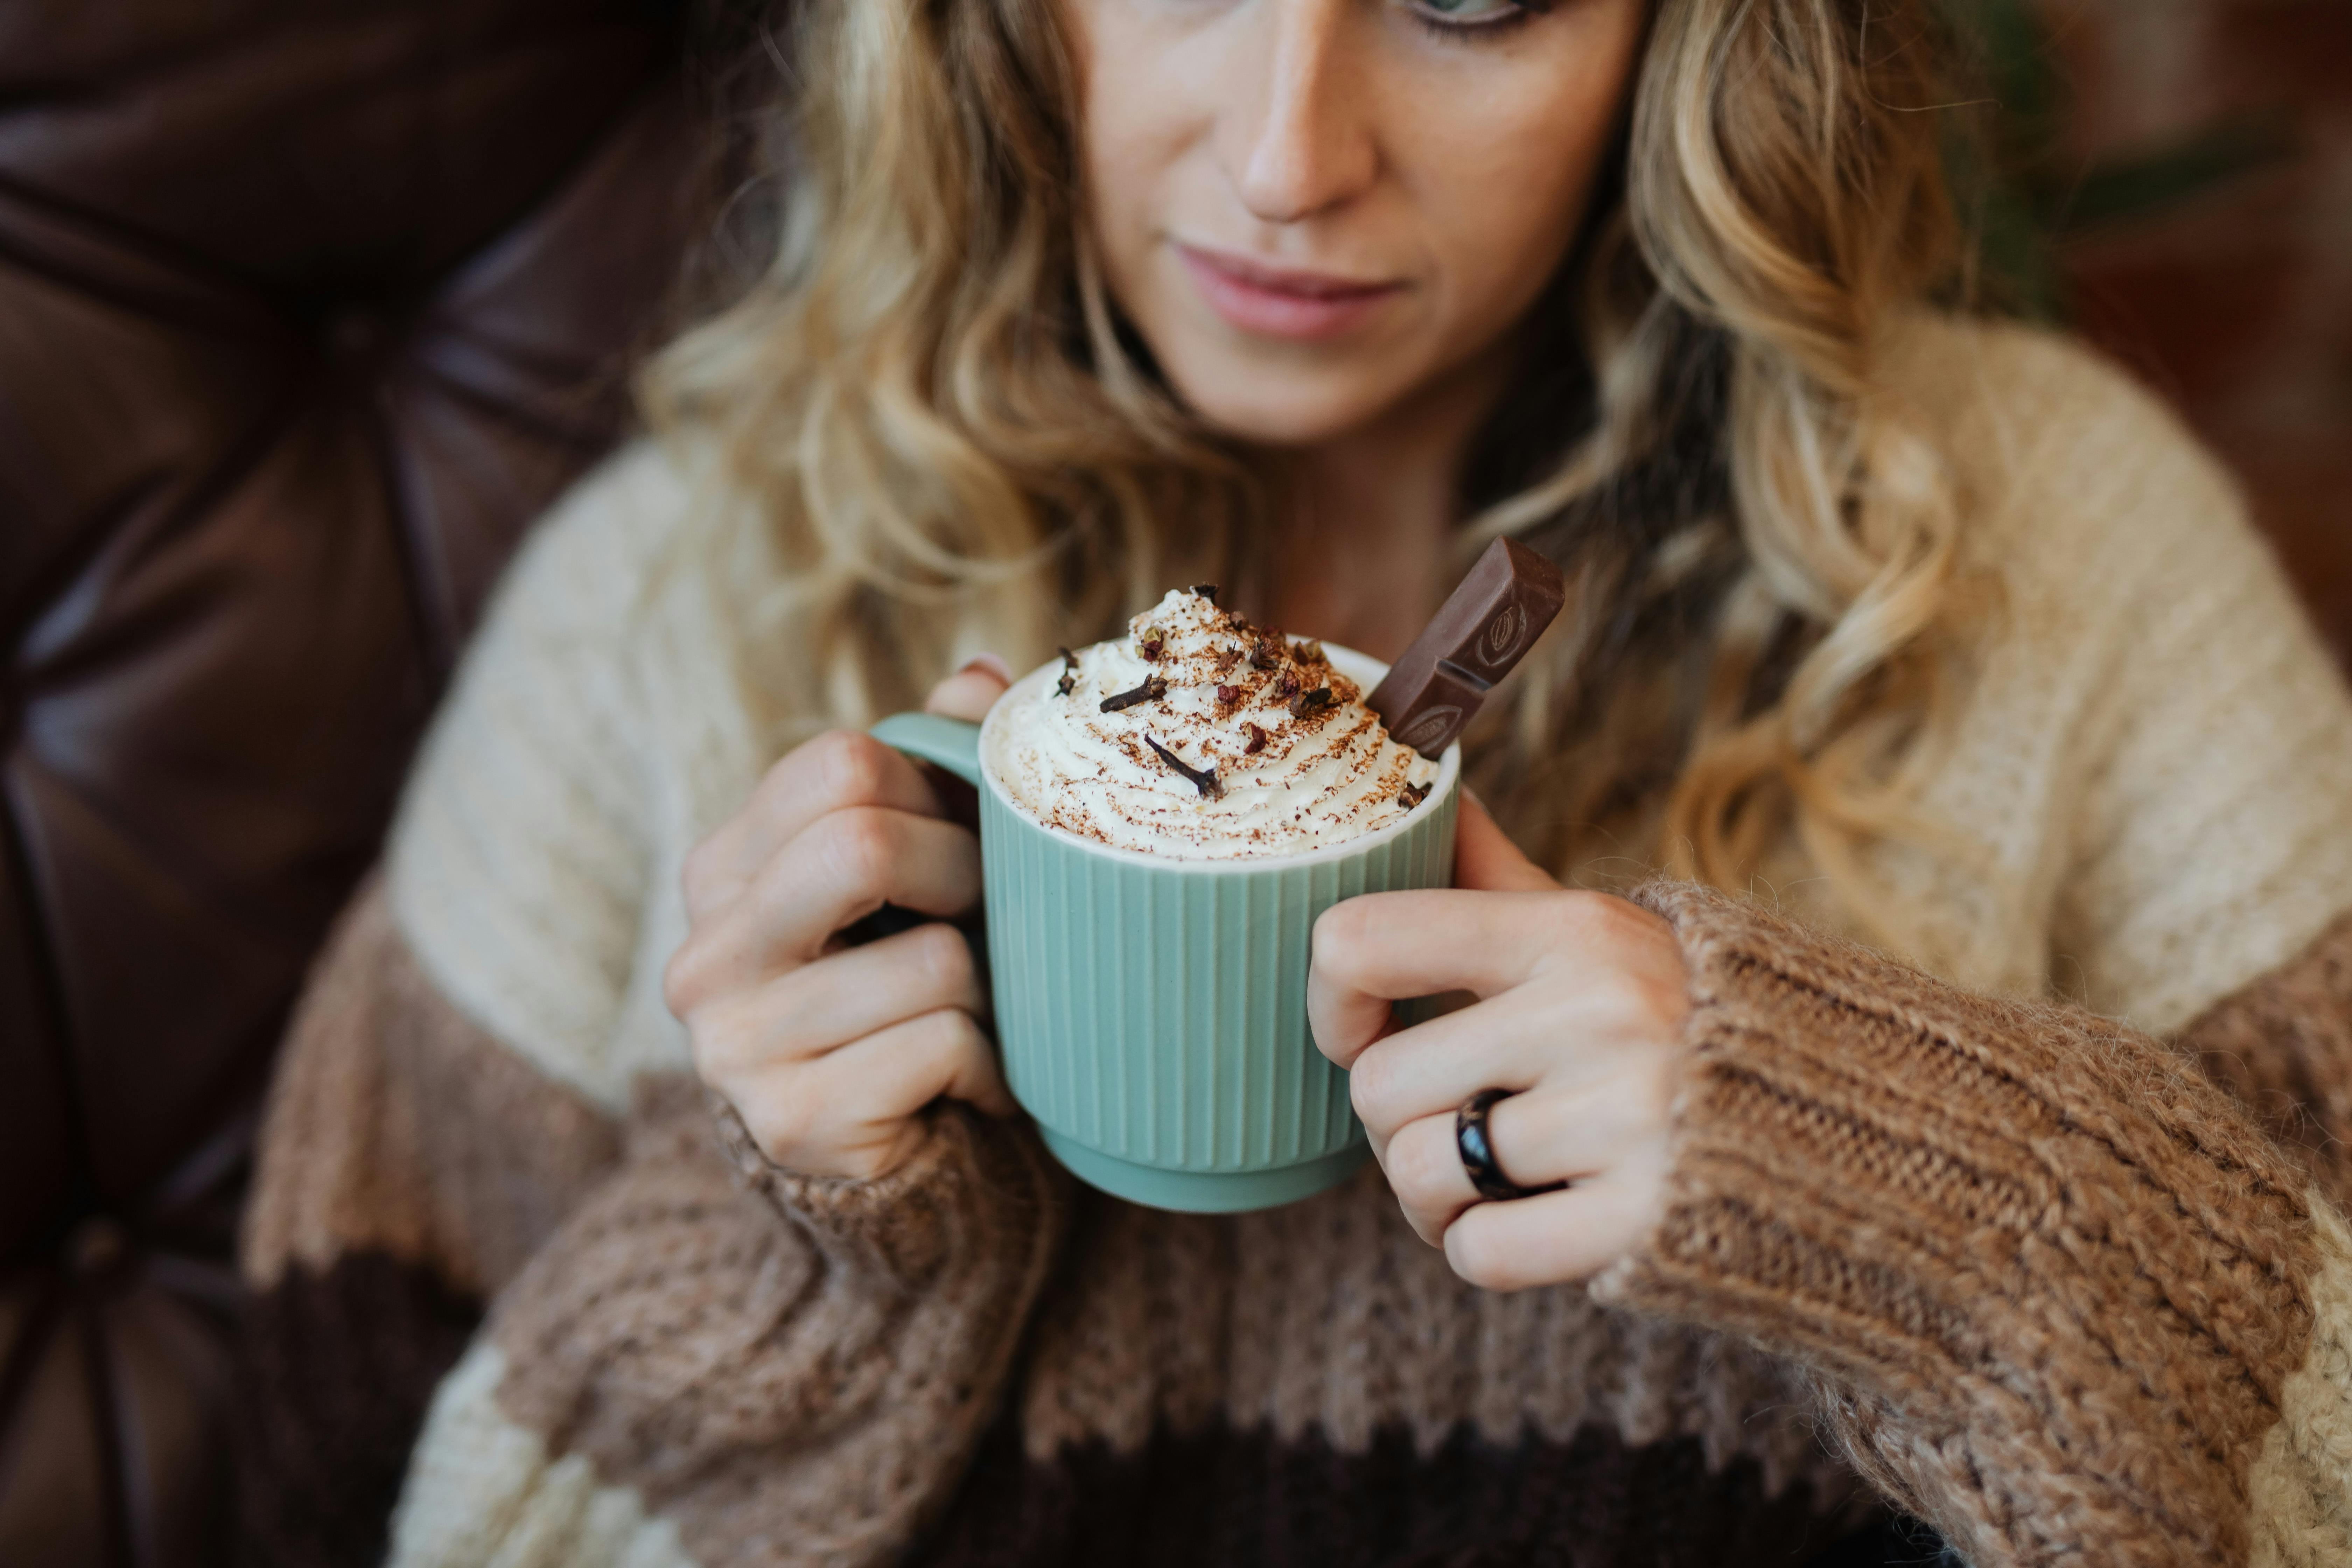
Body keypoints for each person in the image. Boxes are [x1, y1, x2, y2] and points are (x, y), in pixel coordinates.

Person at [235, 0, 2352, 1562]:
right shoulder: (669, 613)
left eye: (1464, 4)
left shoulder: (2064, 561)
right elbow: (351, 1517)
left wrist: (1898, 1175)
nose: (1283, 155)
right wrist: (813, 1268)